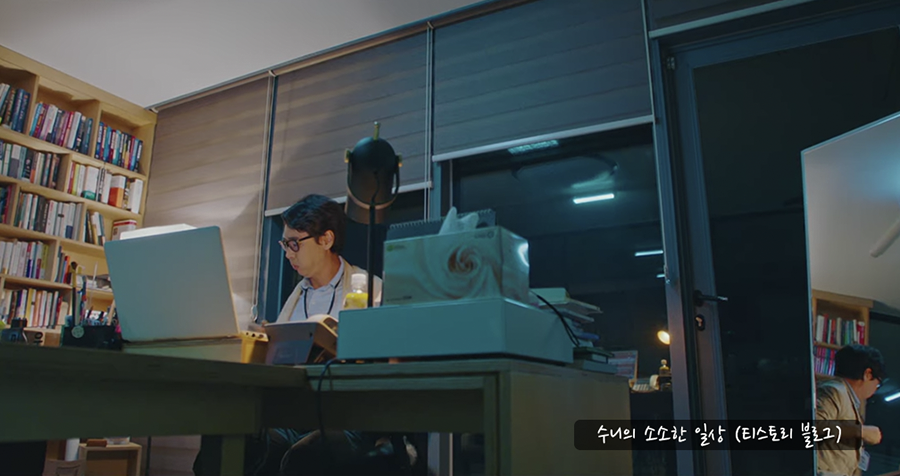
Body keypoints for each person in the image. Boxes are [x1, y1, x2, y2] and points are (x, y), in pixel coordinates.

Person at [195, 194, 414, 476]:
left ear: (326, 240)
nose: (288, 253)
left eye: (295, 243)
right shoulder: (296, 298)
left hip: (347, 416)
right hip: (293, 414)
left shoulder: (372, 291)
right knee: (228, 438)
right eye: (285, 244)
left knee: (307, 456)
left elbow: (393, 365)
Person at [816, 344, 885, 476]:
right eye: (878, 384)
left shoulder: (846, 397)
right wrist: (862, 431)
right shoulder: (834, 391)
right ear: (868, 374)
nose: (875, 389)